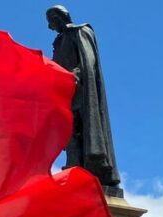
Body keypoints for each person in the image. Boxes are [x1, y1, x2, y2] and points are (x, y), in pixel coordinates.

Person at [45, 5, 121, 195]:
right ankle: (74, 170)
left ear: (60, 17)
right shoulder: (59, 41)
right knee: (70, 134)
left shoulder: (80, 31)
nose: (49, 26)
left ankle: (91, 170)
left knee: (85, 132)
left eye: (51, 21)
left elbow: (89, 60)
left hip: (82, 93)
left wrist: (74, 76)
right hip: (67, 95)